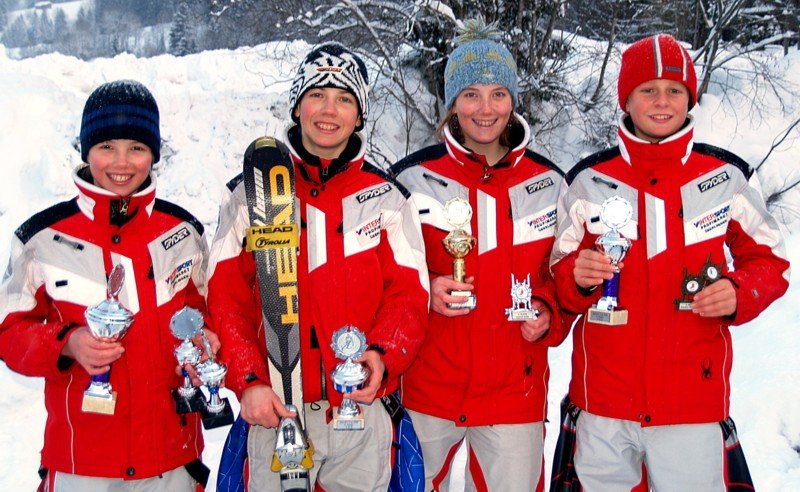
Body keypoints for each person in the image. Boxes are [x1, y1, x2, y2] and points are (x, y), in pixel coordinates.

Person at [550, 34, 790, 490]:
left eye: (674, 90)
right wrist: (577, 279)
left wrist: (739, 292)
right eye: (648, 90)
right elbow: (558, 275)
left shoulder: (726, 176)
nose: (662, 101)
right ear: (626, 99)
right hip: (604, 404)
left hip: (691, 403)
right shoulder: (588, 181)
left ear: (690, 98)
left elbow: (771, 261)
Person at [206, 42, 429, 491]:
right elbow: (225, 299)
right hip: (276, 408)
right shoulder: (250, 194)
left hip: (358, 408)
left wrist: (381, 356)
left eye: (344, 98)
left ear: (359, 115)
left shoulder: (385, 198)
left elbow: (409, 295)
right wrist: (249, 379)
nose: (329, 110)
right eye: (317, 95)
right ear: (297, 106)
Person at [0, 80, 215, 491]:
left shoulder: (183, 232)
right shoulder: (41, 238)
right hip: (82, 465)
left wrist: (205, 343)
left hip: (170, 460)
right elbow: (8, 332)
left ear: (153, 154)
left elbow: (207, 314)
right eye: (106, 147)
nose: (122, 162)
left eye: (136, 148)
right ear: (87, 151)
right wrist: (66, 343)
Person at [391, 23, 569, 491]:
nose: (485, 109)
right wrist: (426, 289)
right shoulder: (411, 180)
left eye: (497, 94)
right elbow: (385, 275)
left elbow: (564, 275)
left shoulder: (550, 184)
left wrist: (548, 312)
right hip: (428, 388)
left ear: (513, 100)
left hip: (514, 392)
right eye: (470, 95)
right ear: (452, 103)